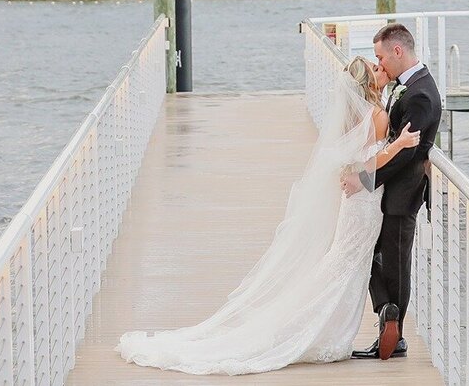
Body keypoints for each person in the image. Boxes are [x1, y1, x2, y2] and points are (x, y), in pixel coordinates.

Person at [116, 54, 419, 375]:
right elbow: (375, 159)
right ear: (366, 83)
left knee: (346, 259)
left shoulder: (351, 117)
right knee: (346, 261)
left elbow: (356, 157)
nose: (379, 68)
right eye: (374, 68)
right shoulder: (377, 116)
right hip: (365, 202)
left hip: (356, 201)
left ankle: (351, 320)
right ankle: (323, 327)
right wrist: (400, 144)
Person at [342, 22, 442, 361]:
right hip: (385, 190)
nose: (379, 63)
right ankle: (387, 313)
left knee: (395, 262)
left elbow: (407, 155)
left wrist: (365, 179)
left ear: (398, 51)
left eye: (381, 56)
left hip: (402, 193)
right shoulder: (406, 87)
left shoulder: (420, 94)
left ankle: (394, 332)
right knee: (371, 252)